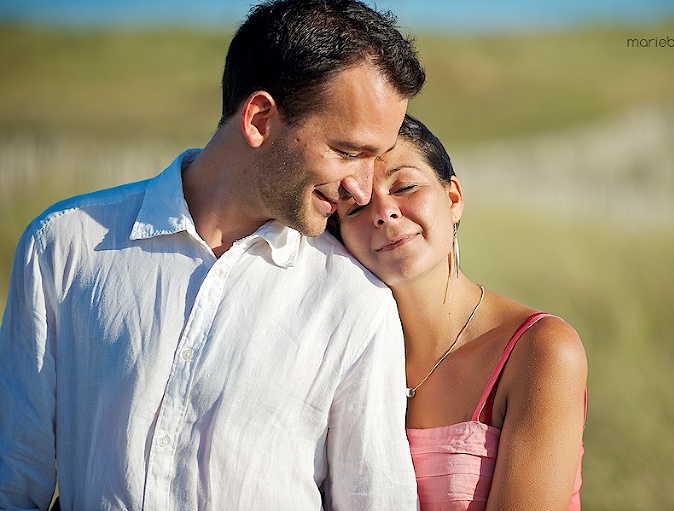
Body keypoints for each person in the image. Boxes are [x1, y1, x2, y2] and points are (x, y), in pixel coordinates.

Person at [0, 1, 425, 509]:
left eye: (375, 159)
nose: (361, 189)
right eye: (348, 153)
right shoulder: (64, 247)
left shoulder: (355, 302)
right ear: (261, 118)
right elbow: (12, 477)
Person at [332, 114, 588, 511]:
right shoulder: (345, 354)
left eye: (405, 186)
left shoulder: (539, 350)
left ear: (453, 199)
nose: (384, 212)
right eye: (355, 207)